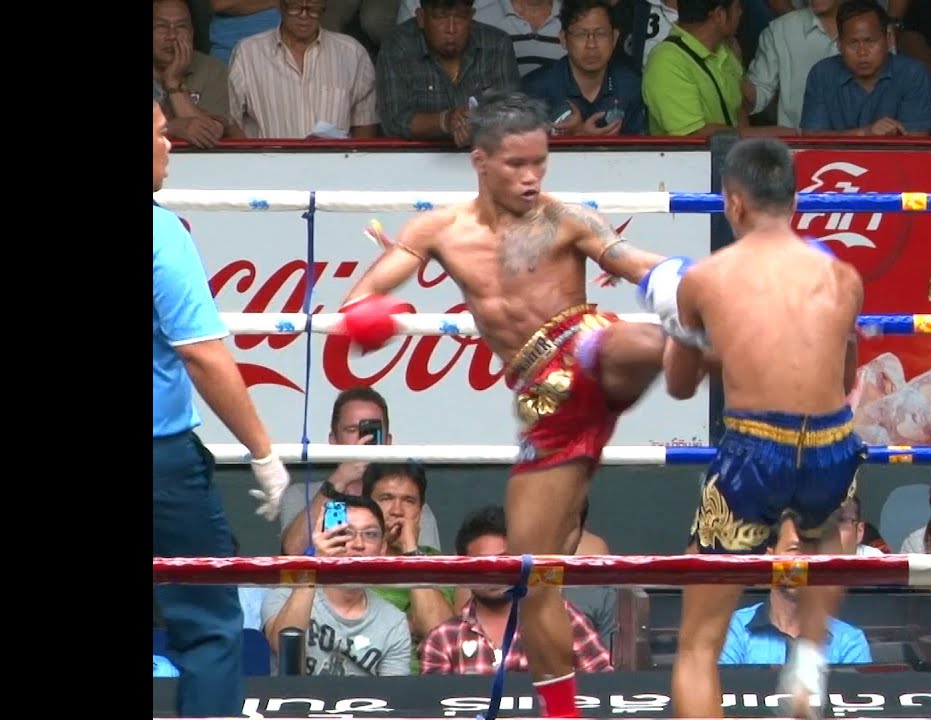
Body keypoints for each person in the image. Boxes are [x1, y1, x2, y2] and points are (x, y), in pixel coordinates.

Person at [336, 90, 682, 717]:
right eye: (517, 165)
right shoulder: (438, 230)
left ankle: (720, 329)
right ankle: (562, 713)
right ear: (480, 162)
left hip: (585, 352)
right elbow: (365, 293)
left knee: (635, 336)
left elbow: (633, 262)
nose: (531, 178)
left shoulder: (565, 219)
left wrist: (685, 281)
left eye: (540, 164)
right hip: (542, 408)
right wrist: (367, 315)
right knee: (537, 576)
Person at [637, 137, 867, 720]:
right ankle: (810, 661)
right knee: (818, 535)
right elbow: (844, 378)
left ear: (732, 203)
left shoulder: (708, 278)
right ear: (794, 200)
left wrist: (681, 329)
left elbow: (683, 387)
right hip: (831, 448)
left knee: (697, 646)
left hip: (753, 450)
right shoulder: (843, 277)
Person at [152, 99, 290, 717]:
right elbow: (205, 356)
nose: (170, 145)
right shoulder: (160, 234)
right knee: (208, 621)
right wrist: (263, 452)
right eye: (160, 134)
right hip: (161, 464)